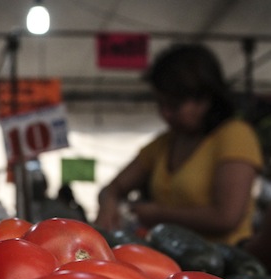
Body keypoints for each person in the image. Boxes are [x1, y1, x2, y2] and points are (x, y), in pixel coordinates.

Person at [94, 43, 263, 245]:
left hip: (224, 262)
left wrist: (158, 214)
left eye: (174, 105)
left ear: (205, 98)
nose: (165, 113)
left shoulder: (235, 136)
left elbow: (226, 217)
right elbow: (113, 187)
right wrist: (108, 202)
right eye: (161, 104)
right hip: (171, 258)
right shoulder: (164, 143)